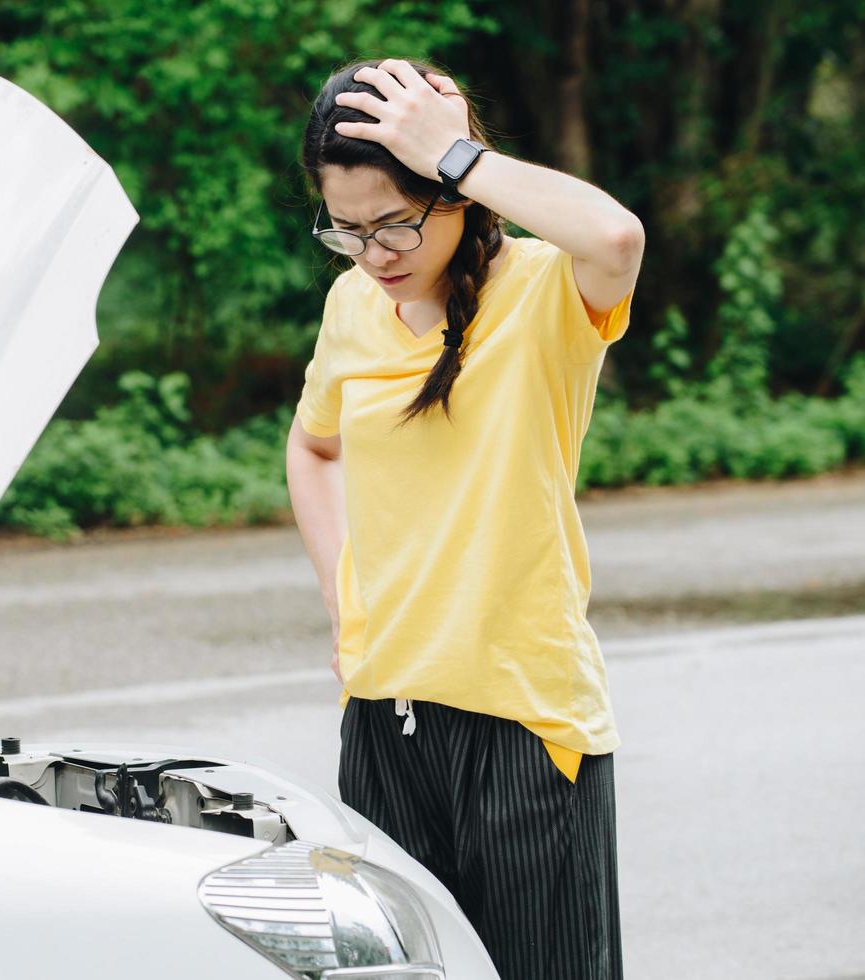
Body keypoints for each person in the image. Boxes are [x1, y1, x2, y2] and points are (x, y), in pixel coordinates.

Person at [286, 57, 644, 980]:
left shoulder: (538, 296)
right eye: (350, 230)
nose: (376, 253)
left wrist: (451, 150)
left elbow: (614, 236)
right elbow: (312, 448)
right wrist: (343, 601)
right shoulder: (351, 307)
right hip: (382, 719)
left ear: (453, 189)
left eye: (398, 221)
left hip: (523, 719)